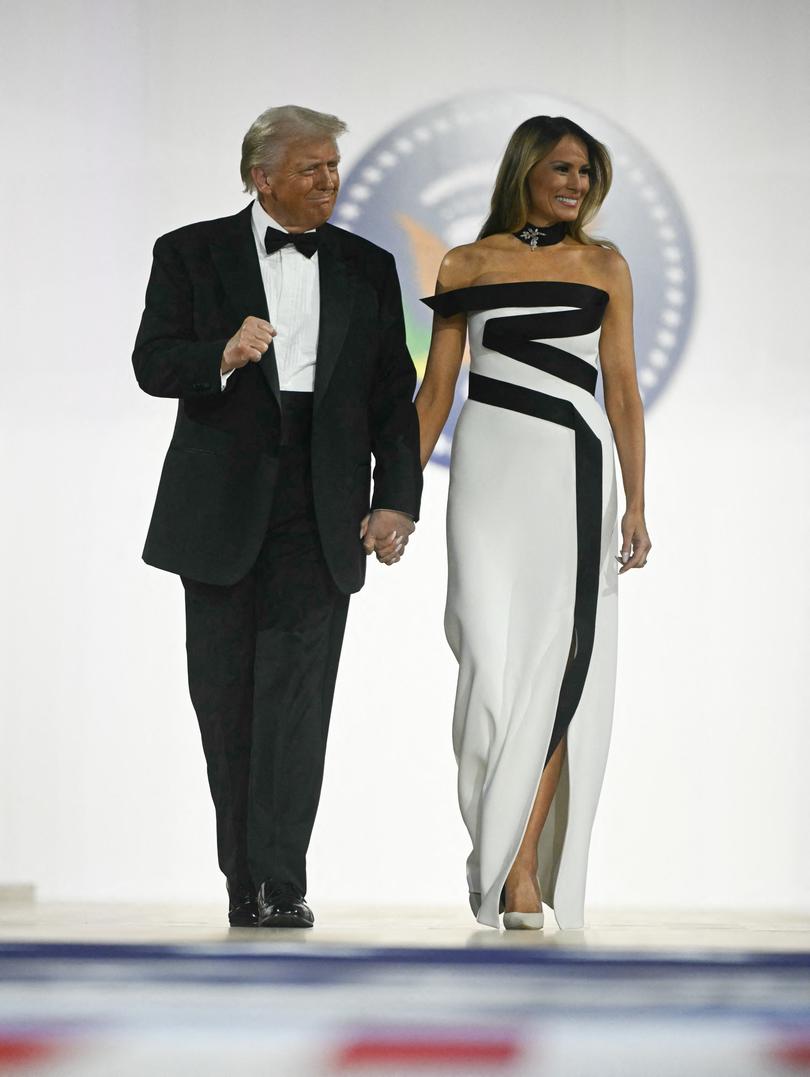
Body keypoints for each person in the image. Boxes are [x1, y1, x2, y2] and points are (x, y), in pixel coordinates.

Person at [132, 105, 422, 929]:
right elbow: (153, 361)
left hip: (321, 503)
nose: (331, 180)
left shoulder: (368, 266)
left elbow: (389, 396)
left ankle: (283, 879)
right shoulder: (190, 251)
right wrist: (218, 356)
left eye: (334, 165)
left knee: (297, 702)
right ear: (263, 177)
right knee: (226, 703)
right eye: (313, 168)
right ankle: (242, 881)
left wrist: (395, 496)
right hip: (220, 505)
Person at [417, 116, 651, 931]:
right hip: (485, 476)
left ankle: (519, 868)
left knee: (557, 669)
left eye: (587, 172)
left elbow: (621, 386)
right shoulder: (466, 264)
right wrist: (398, 495)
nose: (577, 183)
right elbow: (436, 393)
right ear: (525, 167)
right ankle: (497, 840)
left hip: (575, 474)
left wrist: (640, 502)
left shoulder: (605, 264)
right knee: (485, 659)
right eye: (563, 167)